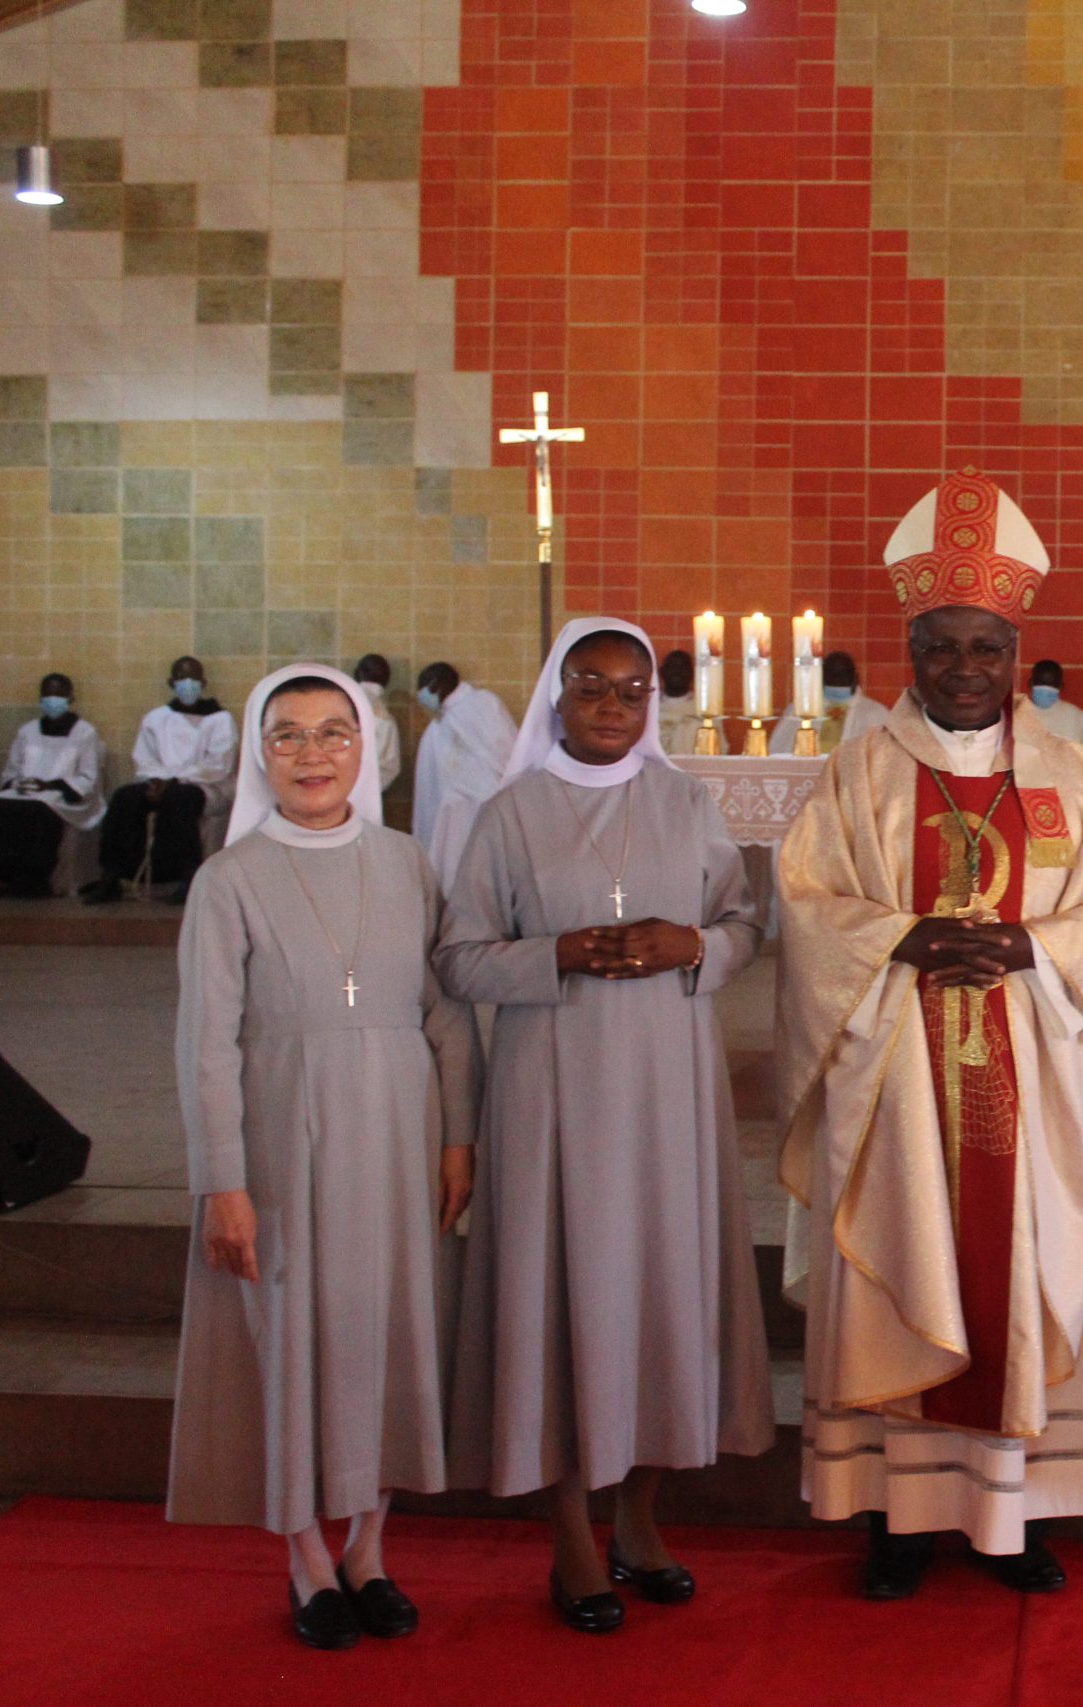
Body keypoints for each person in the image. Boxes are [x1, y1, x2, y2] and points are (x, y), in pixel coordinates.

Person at [777, 470, 1083, 1600]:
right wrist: (899, 940)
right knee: (906, 1253)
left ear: (1015, 651)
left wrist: (1032, 953)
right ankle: (896, 1513)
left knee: (1018, 1266)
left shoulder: (1069, 776)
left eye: (982, 647)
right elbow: (804, 906)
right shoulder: (858, 775)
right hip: (895, 1076)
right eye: (938, 647)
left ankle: (1016, 1511)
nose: (960, 670)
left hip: (1027, 1077)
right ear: (910, 652)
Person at [440, 618, 771, 1636]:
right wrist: (558, 955)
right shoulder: (509, 814)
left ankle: (639, 1519)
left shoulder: (686, 801)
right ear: (557, 695)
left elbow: (745, 924)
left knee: (657, 1295)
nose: (612, 707)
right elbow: (457, 959)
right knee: (565, 1294)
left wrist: (693, 945)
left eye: (631, 692)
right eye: (592, 687)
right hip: (554, 1089)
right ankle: (570, 1535)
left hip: (668, 1092)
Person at [167, 663, 479, 1652]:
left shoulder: (406, 862)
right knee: (292, 1341)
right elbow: (205, 1040)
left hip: (399, 1132)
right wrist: (222, 1179)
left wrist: (459, 1135)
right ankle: (306, 1555)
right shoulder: (230, 880)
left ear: (368, 746)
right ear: (261, 752)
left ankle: (370, 1549)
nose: (313, 754)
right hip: (280, 1141)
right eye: (290, 735)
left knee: (389, 1331)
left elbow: (446, 1014)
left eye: (334, 732)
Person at [81, 655, 235, 903]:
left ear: (203, 682)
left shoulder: (219, 719)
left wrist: (173, 781)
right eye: (181, 678)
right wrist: (156, 780)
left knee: (180, 799)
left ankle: (186, 876)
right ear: (171, 682)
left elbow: (218, 764)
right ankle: (113, 875)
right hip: (159, 783)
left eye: (193, 678)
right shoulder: (156, 718)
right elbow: (144, 757)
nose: (187, 683)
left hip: (204, 786)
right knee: (124, 797)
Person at [0, 674, 106, 898]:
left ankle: (34, 879)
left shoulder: (85, 732)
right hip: (27, 790)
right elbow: (11, 769)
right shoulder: (27, 731)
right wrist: (20, 783)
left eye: (58, 694)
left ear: (70, 698)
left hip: (62, 795)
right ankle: (0, 875)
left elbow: (88, 777)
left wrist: (50, 785)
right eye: (47, 694)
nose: (52, 699)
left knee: (39, 811)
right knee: (0, 805)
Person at [410, 661, 517, 891]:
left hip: (487, 805)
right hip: (453, 814)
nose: (421, 696)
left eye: (422, 689)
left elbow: (504, 749)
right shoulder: (439, 724)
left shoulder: (483, 703)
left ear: (435, 685)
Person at [767, 650, 889, 753]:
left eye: (842, 675)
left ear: (856, 678)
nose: (837, 680)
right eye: (832, 675)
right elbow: (778, 751)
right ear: (821, 677)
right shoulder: (800, 709)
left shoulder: (876, 714)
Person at [353, 654, 403, 796]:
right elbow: (391, 767)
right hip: (367, 794)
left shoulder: (339, 701)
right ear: (387, 680)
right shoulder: (387, 719)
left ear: (358, 673)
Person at [1025, 659, 1083, 754]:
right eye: (1041, 682)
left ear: (1061, 687)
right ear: (1030, 683)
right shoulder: (1013, 718)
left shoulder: (1081, 721)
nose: (1046, 688)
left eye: (1051, 684)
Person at [656, 649, 700, 754]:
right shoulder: (648, 709)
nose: (677, 672)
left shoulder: (704, 712)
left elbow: (718, 750)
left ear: (692, 673)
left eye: (683, 667)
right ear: (661, 672)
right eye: (672, 667)